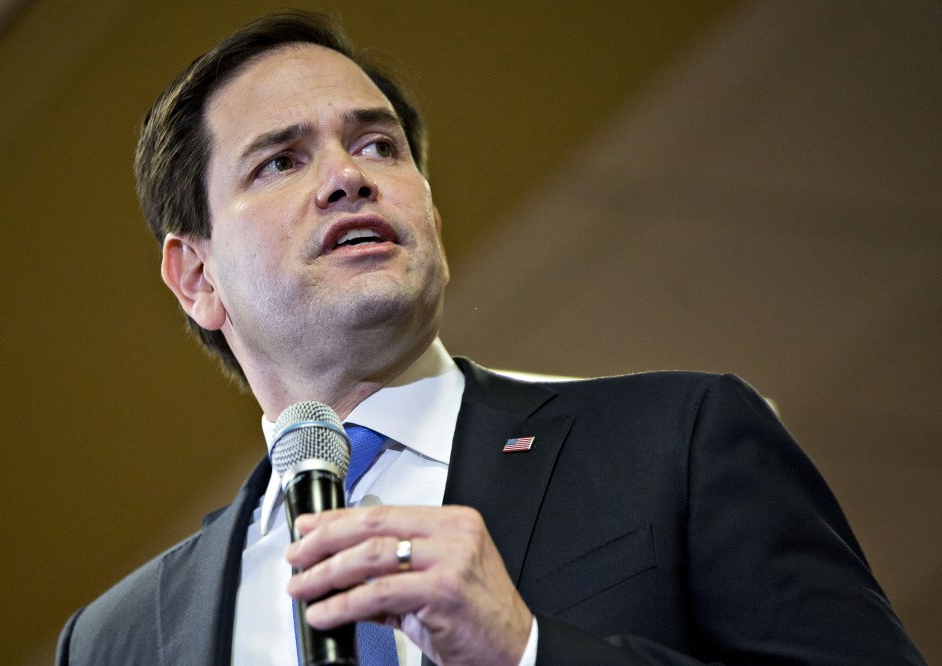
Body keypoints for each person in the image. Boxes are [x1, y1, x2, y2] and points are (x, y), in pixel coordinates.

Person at [56, 10, 925, 666]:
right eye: (281, 161)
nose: (348, 178)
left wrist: (528, 650)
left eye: (379, 145)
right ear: (197, 276)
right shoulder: (117, 638)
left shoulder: (677, 441)